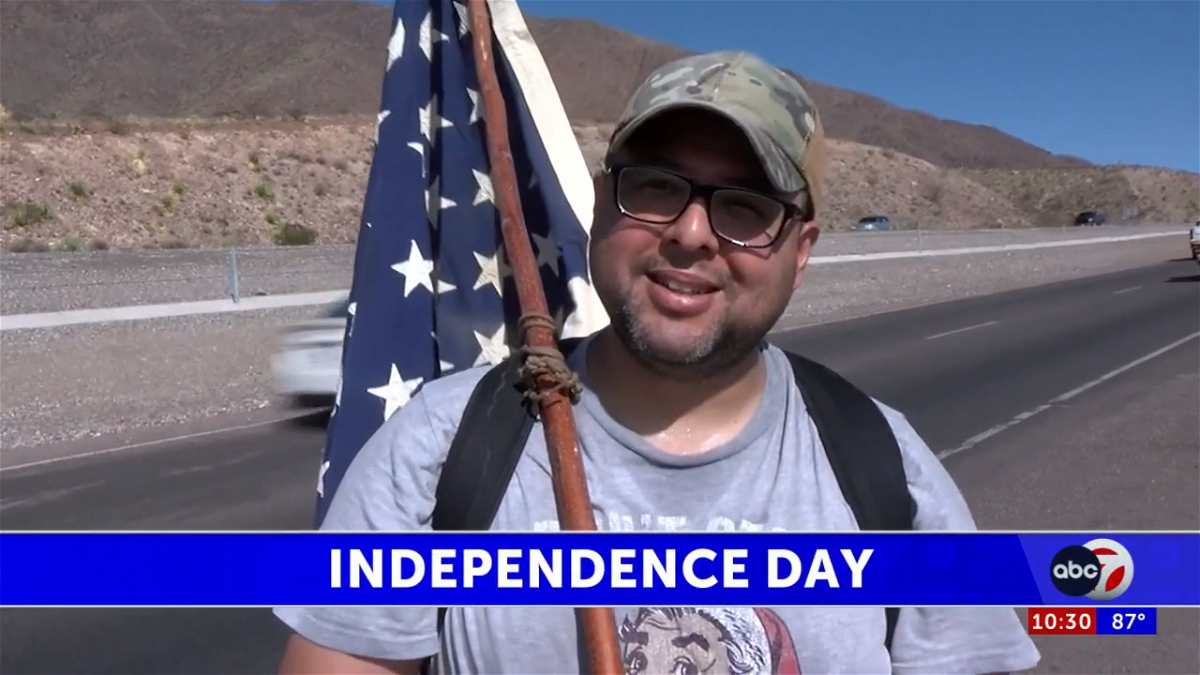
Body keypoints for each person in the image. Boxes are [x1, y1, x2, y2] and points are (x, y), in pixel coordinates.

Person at [275, 50, 1041, 675]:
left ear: (800, 250)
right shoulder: (438, 451)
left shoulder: (887, 472)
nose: (692, 234)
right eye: (657, 187)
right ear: (605, 204)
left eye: (746, 205)